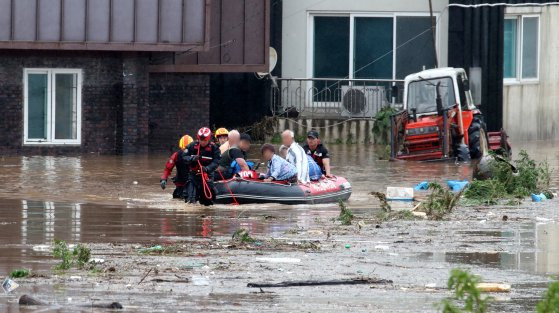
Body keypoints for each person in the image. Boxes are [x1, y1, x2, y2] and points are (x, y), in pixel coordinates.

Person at [182, 127, 221, 205]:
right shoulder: (192, 146)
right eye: (201, 140)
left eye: (205, 140)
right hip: (194, 176)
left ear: (209, 139)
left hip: (207, 176)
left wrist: (207, 168)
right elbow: (184, 157)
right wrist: (191, 158)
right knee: (190, 200)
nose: (202, 142)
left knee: (207, 202)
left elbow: (216, 161)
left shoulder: (214, 148)